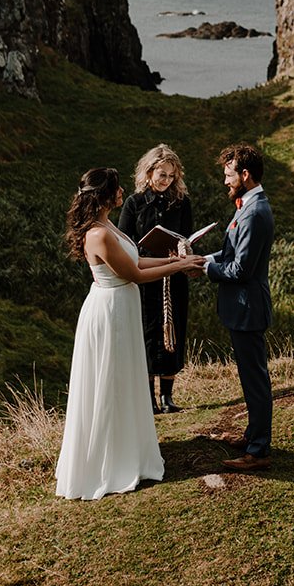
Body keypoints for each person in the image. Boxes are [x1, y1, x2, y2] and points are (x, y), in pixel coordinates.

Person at [55, 167, 201, 501]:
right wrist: (179, 266)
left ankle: (128, 448)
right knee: (110, 381)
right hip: (109, 314)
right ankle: (108, 461)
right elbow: (134, 274)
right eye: (117, 188)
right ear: (105, 194)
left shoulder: (108, 225)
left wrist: (180, 262)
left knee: (124, 378)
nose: (123, 191)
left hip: (121, 309)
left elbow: (138, 260)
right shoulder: (98, 234)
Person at [196, 144, 275, 471]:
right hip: (242, 308)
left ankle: (258, 451)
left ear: (245, 175)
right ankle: (252, 435)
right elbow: (230, 252)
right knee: (249, 376)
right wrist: (203, 258)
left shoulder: (255, 212)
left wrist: (205, 270)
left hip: (247, 308)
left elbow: (240, 270)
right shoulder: (247, 205)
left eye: (229, 176)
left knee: (255, 379)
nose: (225, 182)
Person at [117, 144, 194, 414]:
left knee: (173, 331)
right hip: (145, 276)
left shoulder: (181, 202)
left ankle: (167, 397)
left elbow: (186, 234)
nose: (166, 181)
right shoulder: (134, 203)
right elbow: (123, 239)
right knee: (147, 333)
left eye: (171, 176)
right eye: (162, 174)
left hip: (173, 277)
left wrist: (184, 249)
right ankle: (148, 397)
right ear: (148, 172)